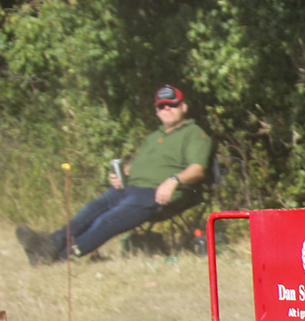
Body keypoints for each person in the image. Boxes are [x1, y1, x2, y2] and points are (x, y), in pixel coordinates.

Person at [16, 86, 212, 264]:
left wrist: (173, 180)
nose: (167, 109)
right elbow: (141, 165)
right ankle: (50, 244)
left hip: (155, 194)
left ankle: (59, 258)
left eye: (172, 104)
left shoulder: (194, 133)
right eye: (162, 106)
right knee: (90, 210)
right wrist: (123, 174)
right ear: (156, 110)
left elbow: (198, 170)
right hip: (128, 188)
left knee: (106, 221)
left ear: (183, 107)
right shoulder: (154, 137)